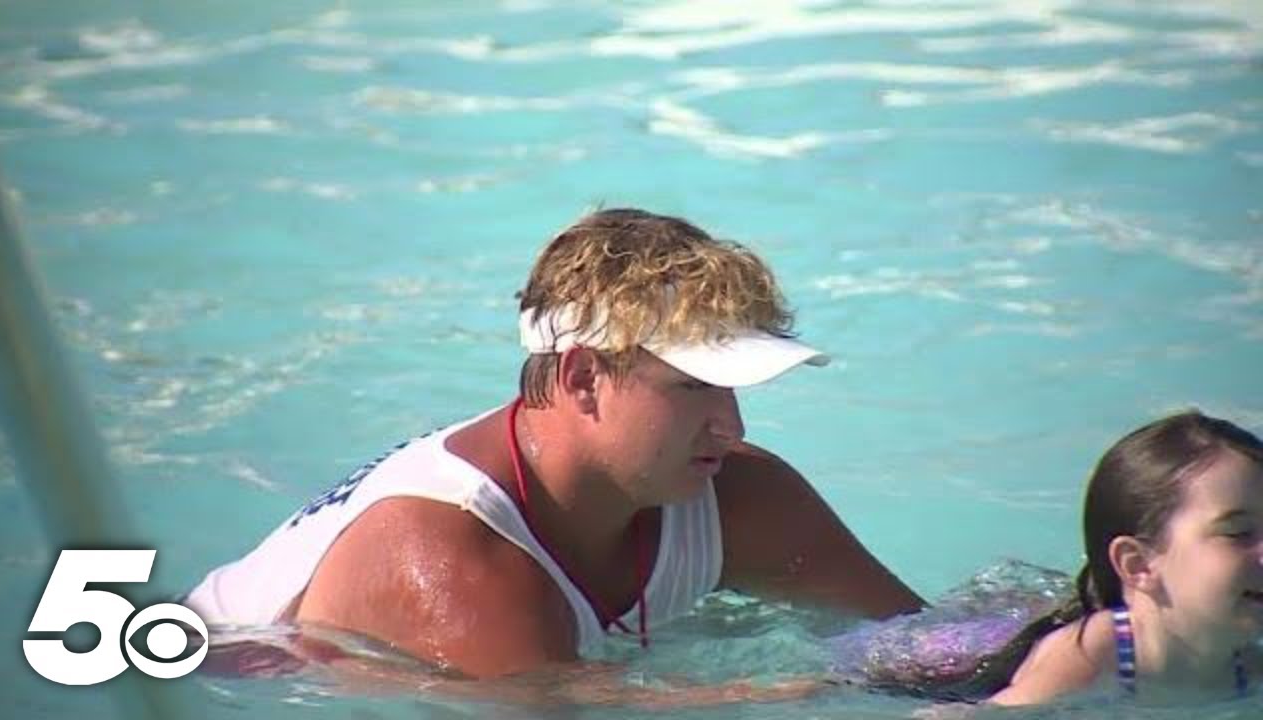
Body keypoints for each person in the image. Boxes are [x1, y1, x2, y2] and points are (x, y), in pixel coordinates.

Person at [184, 207, 923, 679]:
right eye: (694, 386)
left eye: (736, 389)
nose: (733, 427)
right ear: (581, 379)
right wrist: (818, 683)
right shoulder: (444, 554)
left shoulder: (734, 493)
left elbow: (921, 636)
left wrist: (1028, 646)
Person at [961, 410, 1263, 705]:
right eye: (1238, 533)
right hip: (970, 654)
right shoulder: (1089, 658)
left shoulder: (1251, 670)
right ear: (1138, 565)